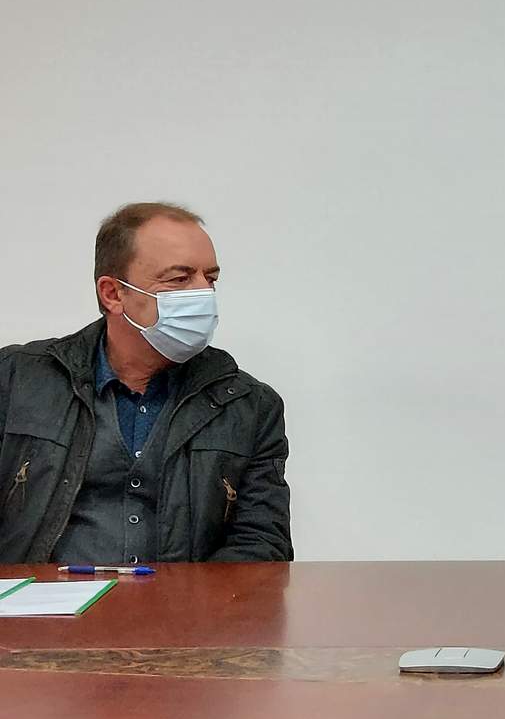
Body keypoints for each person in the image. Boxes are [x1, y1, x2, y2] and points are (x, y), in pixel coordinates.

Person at [0, 202, 292, 563]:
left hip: (188, 600)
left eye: (210, 279)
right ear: (113, 293)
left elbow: (262, 544)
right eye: (179, 279)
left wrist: (190, 597)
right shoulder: (16, 379)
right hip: (40, 597)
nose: (203, 294)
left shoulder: (249, 405)